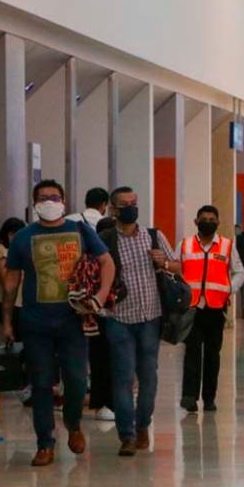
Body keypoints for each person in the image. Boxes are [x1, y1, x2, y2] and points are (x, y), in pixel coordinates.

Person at [4, 179, 115, 466]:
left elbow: (107, 262)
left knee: (77, 380)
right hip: (35, 321)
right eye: (43, 197)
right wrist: (6, 320)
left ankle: (73, 424)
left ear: (64, 200)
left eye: (54, 196)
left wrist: (101, 297)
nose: (49, 201)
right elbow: (11, 281)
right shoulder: (23, 237)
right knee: (41, 384)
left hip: (73, 321)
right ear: (34, 203)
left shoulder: (79, 230)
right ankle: (45, 443)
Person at [100, 186, 179, 457]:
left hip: (150, 316)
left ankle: (143, 424)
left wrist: (164, 263)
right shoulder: (106, 239)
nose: (130, 208)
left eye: (134, 202)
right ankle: (127, 435)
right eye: (124, 204)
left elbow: (178, 265)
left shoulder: (154, 236)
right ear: (113, 209)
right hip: (118, 317)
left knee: (149, 377)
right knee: (123, 377)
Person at [178, 205, 244, 413]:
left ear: (218, 222)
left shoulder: (226, 245)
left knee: (212, 355)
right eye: (203, 218)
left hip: (216, 307)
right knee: (192, 352)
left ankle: (209, 398)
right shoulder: (185, 245)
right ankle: (189, 397)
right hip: (192, 307)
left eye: (211, 219)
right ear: (195, 222)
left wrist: (228, 290)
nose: (207, 222)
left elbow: (239, 272)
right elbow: (175, 269)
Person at [89, 217, 118, 421]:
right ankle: (111, 401)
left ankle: (101, 402)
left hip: (97, 314)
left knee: (99, 360)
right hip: (114, 314)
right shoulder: (111, 256)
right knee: (115, 360)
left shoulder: (90, 255)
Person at [0, 218, 26, 331]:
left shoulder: (13, 251)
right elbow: (6, 281)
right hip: (3, 303)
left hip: (17, 303)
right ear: (10, 235)